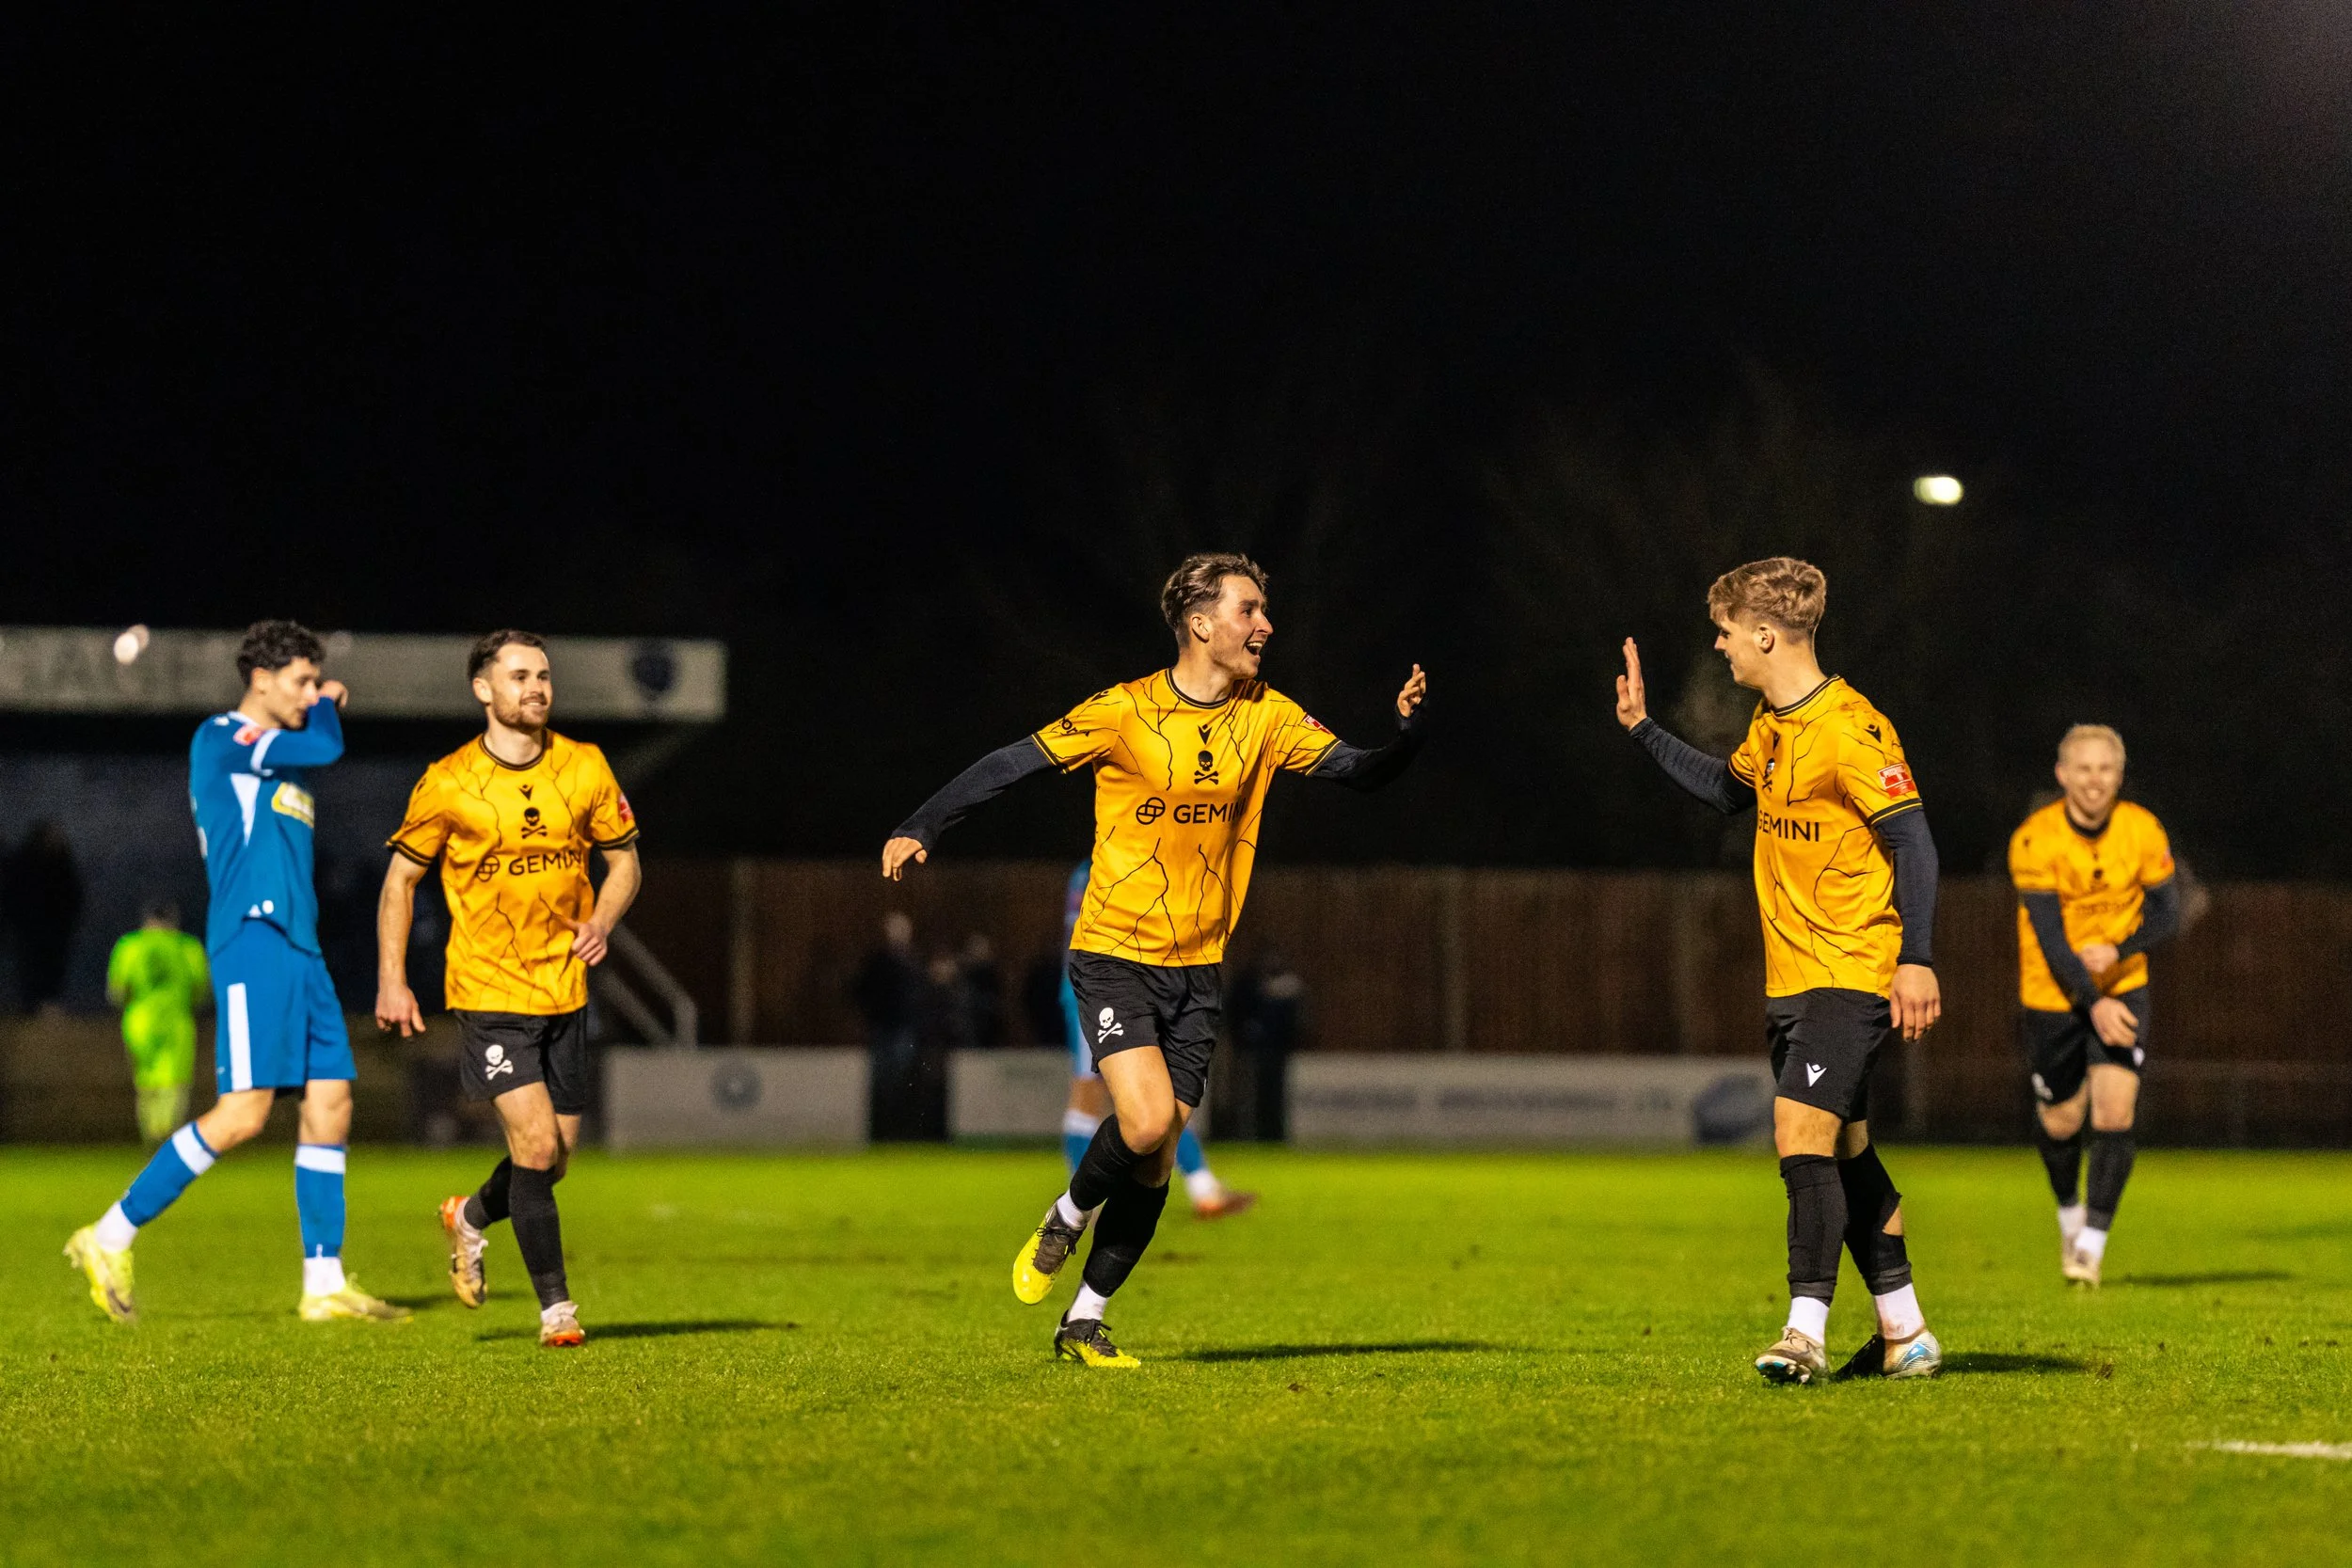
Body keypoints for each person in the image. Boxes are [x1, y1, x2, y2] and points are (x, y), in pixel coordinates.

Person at [883, 551, 1426, 1367]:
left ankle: (1084, 1320)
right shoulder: (1125, 710)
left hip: (1198, 965)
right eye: (1250, 610)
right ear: (1202, 623)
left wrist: (1407, 734)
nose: (1265, 625)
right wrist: (924, 822)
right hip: (1112, 950)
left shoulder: (1267, 714)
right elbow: (1013, 762)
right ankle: (1066, 1216)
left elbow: (1358, 772)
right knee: (1142, 1122)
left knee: (1159, 1149)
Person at [1617, 557, 1943, 1383]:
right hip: (1792, 982)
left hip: (1851, 971)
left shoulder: (1851, 728)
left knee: (1798, 1133)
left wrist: (1916, 959)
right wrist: (1643, 728)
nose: (1721, 647)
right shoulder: (1772, 727)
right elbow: (1727, 793)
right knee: (1846, 1152)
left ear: (1765, 633)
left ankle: (1804, 1333)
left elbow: (1914, 841)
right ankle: (1907, 1334)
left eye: (1725, 633)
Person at [65, 621, 406, 1324]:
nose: (311, 692)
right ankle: (107, 1234)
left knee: (332, 1101)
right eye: (302, 680)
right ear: (261, 678)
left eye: (316, 681)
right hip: (252, 938)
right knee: (245, 1114)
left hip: (298, 945)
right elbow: (326, 741)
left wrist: (316, 704)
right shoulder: (223, 737)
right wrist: (331, 702)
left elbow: (307, 760)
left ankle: (322, 1283)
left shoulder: (282, 763)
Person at [376, 629, 642, 1350]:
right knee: (531, 1142)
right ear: (483, 689)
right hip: (490, 990)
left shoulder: (585, 766)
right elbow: (401, 879)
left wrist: (604, 919)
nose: (537, 686)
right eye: (520, 674)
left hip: (565, 987)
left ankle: (469, 1217)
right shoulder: (449, 780)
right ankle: (558, 1309)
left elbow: (625, 861)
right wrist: (393, 978)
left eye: (544, 675)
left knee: (555, 1158)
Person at [2009, 725, 2178, 1288]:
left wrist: (2121, 951)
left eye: (2105, 769)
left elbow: (2167, 914)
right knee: (2061, 1121)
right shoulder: (2034, 840)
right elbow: (2053, 942)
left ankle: (2090, 1248)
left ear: (2119, 775)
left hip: (2125, 986)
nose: (2094, 780)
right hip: (2052, 993)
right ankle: (2069, 1214)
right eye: (2084, 769)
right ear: (2062, 775)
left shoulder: (2143, 830)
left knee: (2114, 1114)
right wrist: (2092, 999)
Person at [1056, 860, 1255, 1216]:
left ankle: (1203, 1188)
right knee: (1090, 1094)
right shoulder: (1111, 869)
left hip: (1113, 994)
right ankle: (1080, 1200)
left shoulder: (1093, 869)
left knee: (1150, 1096)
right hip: (1098, 997)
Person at [106, 900, 210, 1143]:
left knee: (146, 1081)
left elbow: (118, 991)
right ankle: (166, 1131)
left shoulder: (129, 945)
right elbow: (200, 989)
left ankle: (150, 1131)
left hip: (140, 1020)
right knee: (175, 1081)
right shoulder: (188, 946)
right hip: (176, 1020)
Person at [851, 912, 925, 1139]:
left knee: (902, 1079)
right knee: (882, 1080)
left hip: (904, 1029)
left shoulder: (912, 961)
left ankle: (902, 1130)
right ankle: (881, 1131)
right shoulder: (879, 961)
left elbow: (920, 996)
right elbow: (862, 990)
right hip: (884, 1027)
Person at [4, 820, 84, 1012]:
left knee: (53, 967)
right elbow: (13, 894)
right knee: (30, 967)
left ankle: (49, 1004)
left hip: (56, 929)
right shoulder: (25, 864)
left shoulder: (62, 865)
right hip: (30, 928)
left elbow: (73, 895)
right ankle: (31, 1005)